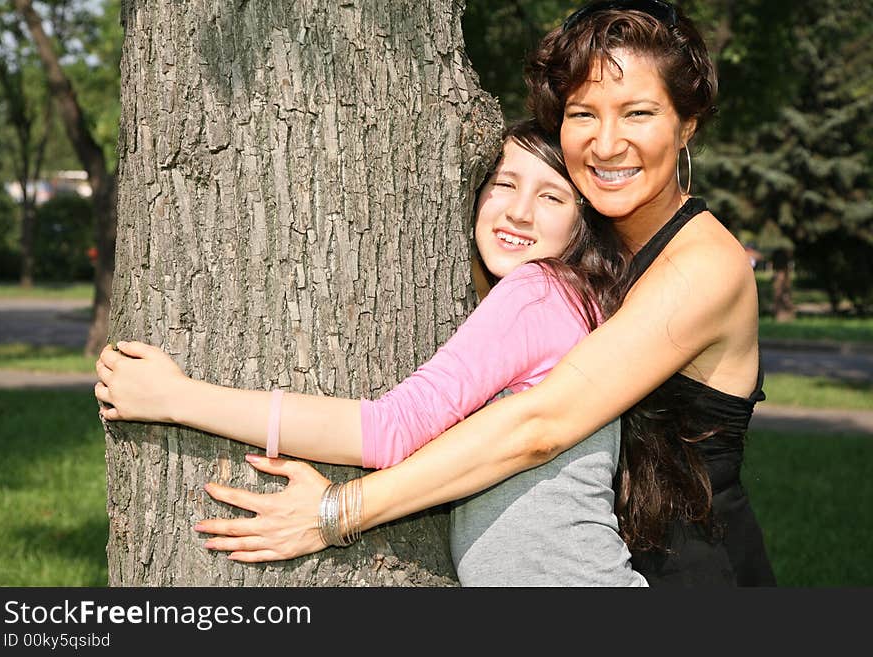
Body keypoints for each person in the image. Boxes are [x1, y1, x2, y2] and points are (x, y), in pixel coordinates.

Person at [185, 0, 776, 587]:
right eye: (582, 114)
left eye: (638, 113)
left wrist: (338, 512)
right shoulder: (594, 256)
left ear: (686, 124)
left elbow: (540, 424)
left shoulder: (704, 265)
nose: (606, 142)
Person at [96, 119, 647, 586]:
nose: (519, 212)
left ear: (583, 220)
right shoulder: (575, 304)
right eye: (504, 183)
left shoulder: (540, 292)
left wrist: (177, 398)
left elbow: (390, 431)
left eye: (551, 196)